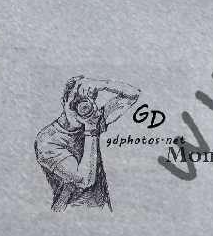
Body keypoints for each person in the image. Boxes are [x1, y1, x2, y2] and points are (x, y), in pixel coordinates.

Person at [35, 76, 140, 212]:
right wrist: (91, 129)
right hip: (68, 213)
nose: (80, 108)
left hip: (102, 210)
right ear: (63, 102)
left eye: (85, 101)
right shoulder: (47, 140)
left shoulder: (93, 120)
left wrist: (103, 84)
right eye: (75, 102)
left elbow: (133, 94)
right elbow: (85, 180)